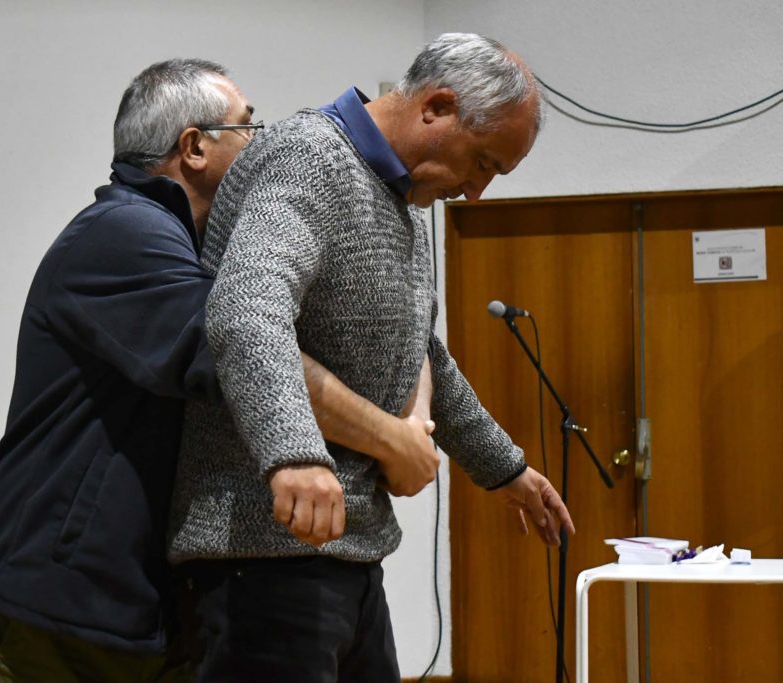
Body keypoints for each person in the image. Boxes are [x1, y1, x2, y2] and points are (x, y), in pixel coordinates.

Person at [0, 59, 440, 683]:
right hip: (53, 600)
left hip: (132, 604)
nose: (263, 141)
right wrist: (393, 440)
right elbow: (249, 354)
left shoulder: (189, 245)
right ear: (194, 147)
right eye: (248, 126)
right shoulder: (124, 234)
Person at [167, 33, 576, 682]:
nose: (476, 192)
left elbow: (422, 352)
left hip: (349, 555)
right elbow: (246, 307)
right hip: (263, 553)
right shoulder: (309, 157)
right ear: (436, 107)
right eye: (482, 163)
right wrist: (295, 452)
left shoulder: (400, 203)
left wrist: (506, 469)